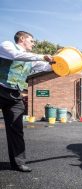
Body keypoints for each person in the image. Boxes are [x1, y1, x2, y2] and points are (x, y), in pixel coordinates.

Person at [0, 31, 53, 172]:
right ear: (22, 39)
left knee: (16, 130)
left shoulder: (32, 59)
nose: (34, 43)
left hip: (15, 95)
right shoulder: (7, 46)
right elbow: (15, 56)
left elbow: (45, 67)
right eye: (32, 40)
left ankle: (18, 163)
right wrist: (42, 56)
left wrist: (62, 66)